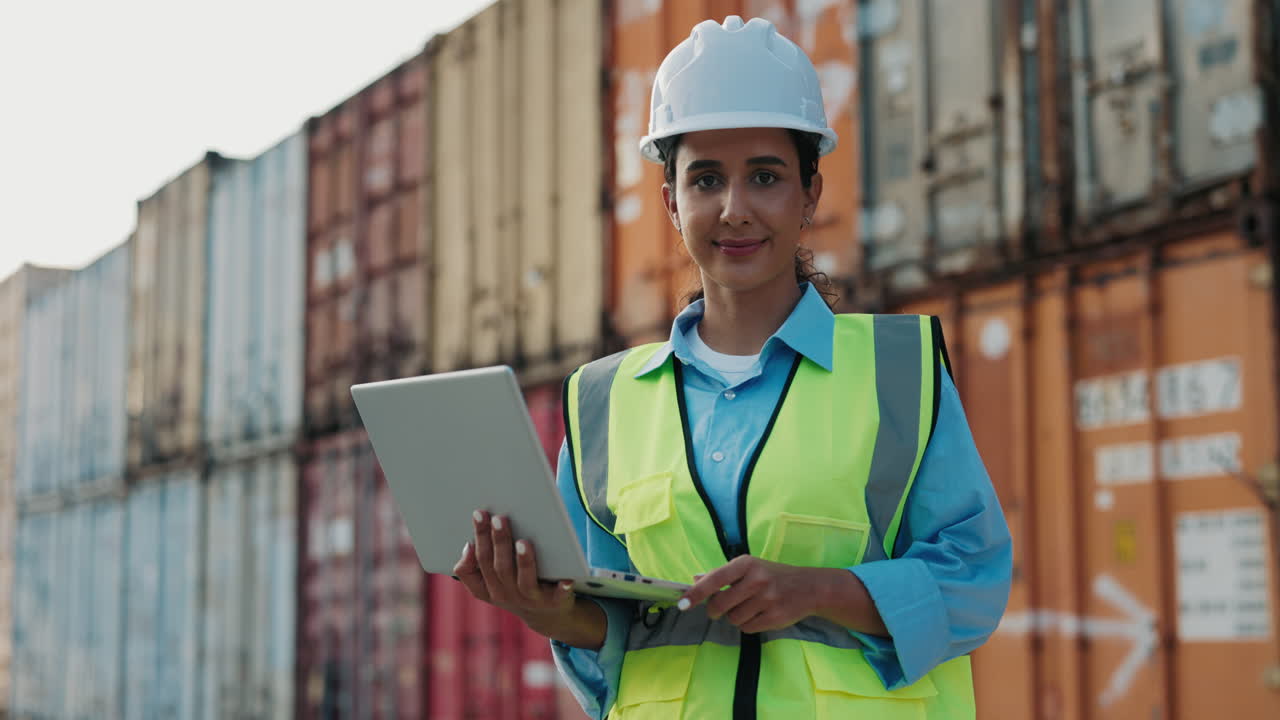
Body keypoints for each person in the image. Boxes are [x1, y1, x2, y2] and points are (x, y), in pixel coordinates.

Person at [453, 16, 1011, 719]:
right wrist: (539, 608)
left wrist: (817, 589)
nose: (735, 209)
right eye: (706, 179)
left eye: (766, 177)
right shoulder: (601, 403)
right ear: (671, 202)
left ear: (810, 193)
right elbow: (613, 627)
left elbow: (975, 580)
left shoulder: (896, 374)